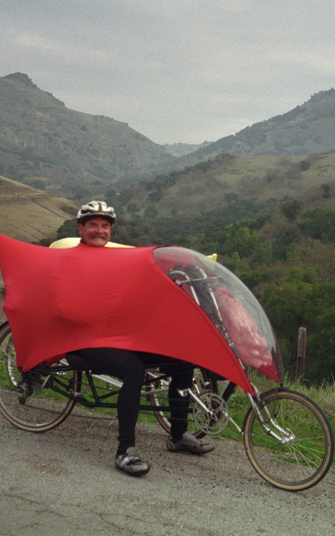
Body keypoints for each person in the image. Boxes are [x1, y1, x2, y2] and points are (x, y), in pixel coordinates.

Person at [68, 200, 215, 476]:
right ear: (81, 228)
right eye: (93, 226)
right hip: (86, 339)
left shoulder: (115, 258)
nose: (99, 231)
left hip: (121, 335)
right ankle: (125, 450)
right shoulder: (70, 259)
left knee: (183, 358)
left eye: (105, 226)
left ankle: (178, 434)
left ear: (110, 230)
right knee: (133, 371)